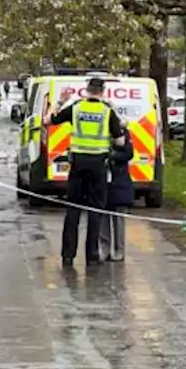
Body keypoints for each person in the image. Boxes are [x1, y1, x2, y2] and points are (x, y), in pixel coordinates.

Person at [45, 77, 125, 267]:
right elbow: (120, 141)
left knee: (73, 209)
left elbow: (49, 120)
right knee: (95, 210)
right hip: (98, 166)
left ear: (86, 90)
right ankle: (92, 254)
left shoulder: (76, 108)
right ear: (102, 91)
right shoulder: (107, 112)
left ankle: (68, 255)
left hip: (78, 164)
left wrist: (61, 101)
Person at [99, 129, 134, 262]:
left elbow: (128, 153)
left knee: (119, 218)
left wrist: (111, 155)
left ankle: (119, 250)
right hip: (102, 180)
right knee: (102, 215)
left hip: (119, 180)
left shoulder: (121, 131)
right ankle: (104, 248)